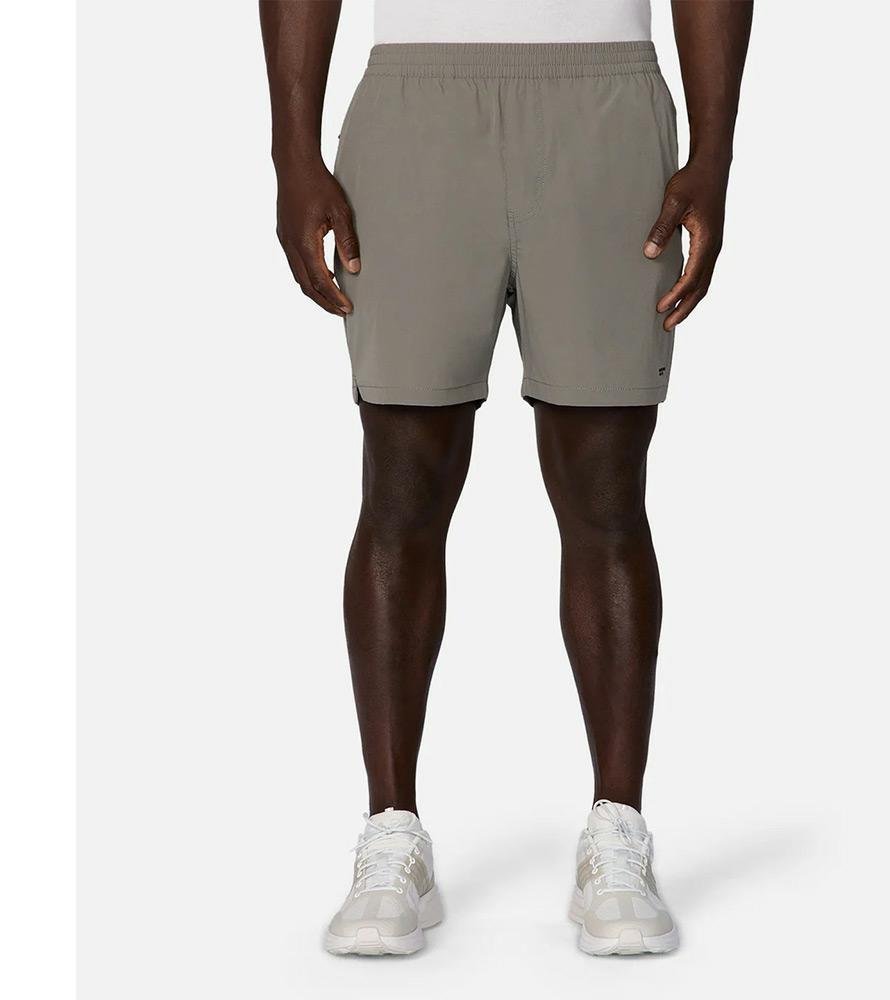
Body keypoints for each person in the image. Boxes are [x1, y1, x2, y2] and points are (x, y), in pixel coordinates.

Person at [260, 0, 752, 956]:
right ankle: (391, 835)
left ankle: (617, 834)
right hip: (415, 104)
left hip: (608, 103)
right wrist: (292, 153)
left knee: (606, 492)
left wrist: (714, 154)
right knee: (401, 484)